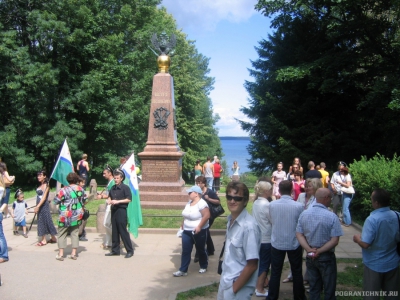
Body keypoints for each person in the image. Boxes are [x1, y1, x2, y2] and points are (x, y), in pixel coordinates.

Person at [296, 188, 343, 299]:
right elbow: (334, 240)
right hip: (326, 256)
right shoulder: (332, 217)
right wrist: (320, 251)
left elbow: (299, 234)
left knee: (314, 288)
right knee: (329, 288)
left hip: (310, 256)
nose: (331, 200)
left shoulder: (304, 214)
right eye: (330, 198)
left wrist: (309, 249)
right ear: (326, 198)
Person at [353, 189, 400, 298]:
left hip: (374, 264)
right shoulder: (397, 216)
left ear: (377, 203)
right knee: (392, 295)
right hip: (393, 262)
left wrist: (357, 239)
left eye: (372, 199)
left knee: (371, 295)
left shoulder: (372, 219)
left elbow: (365, 244)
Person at [218, 181, 260, 300]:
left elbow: (252, 265)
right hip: (226, 281)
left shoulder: (249, 227)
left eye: (237, 198)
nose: (232, 201)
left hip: (238, 288)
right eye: (229, 197)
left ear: (245, 201)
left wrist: (233, 290)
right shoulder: (231, 220)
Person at [267, 180, 306, 300]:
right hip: (294, 242)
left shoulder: (272, 205)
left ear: (279, 191)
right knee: (297, 271)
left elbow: (271, 220)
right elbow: (301, 223)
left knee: (275, 272)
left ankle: (272, 296)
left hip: (277, 241)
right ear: (291, 190)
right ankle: (299, 297)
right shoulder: (299, 206)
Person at [173, 185, 210, 277]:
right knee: (186, 250)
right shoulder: (189, 202)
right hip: (187, 231)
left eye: (190, 192)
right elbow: (186, 215)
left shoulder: (202, 204)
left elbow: (207, 216)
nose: (188, 194)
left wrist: (199, 227)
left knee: (200, 249)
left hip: (199, 231)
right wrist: (182, 224)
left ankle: (203, 265)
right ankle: (183, 270)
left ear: (196, 194)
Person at [53, 172, 86, 261]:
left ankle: (60, 254)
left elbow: (55, 201)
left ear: (67, 180)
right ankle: (74, 253)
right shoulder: (80, 189)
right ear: (76, 180)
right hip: (76, 215)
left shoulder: (63, 190)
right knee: (75, 233)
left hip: (64, 216)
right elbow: (85, 200)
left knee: (61, 234)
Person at [105, 168, 134, 258]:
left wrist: (118, 201)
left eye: (117, 178)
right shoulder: (113, 188)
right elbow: (110, 196)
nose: (116, 180)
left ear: (121, 178)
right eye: (115, 178)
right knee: (115, 231)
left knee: (123, 231)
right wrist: (108, 200)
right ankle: (115, 250)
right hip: (114, 210)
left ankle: (129, 250)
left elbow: (128, 199)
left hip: (121, 210)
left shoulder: (125, 188)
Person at [252, 181, 273, 297]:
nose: (271, 191)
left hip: (257, 237)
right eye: (270, 189)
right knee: (265, 263)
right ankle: (259, 288)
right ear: (266, 191)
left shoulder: (256, 203)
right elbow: (272, 220)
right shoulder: (267, 205)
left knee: (259, 262)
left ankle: (263, 282)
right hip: (266, 237)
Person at [194, 176, 220, 259]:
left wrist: (209, 199)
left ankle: (198, 254)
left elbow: (218, 201)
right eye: (197, 183)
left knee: (201, 232)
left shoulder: (210, 192)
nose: (198, 184)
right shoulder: (197, 192)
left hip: (209, 216)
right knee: (206, 232)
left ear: (204, 183)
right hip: (200, 216)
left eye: (200, 183)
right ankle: (210, 249)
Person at [34, 170, 57, 246]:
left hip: (43, 205)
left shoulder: (46, 185)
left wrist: (38, 206)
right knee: (46, 220)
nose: (38, 177)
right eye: (38, 175)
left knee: (43, 220)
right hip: (40, 205)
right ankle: (53, 238)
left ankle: (44, 240)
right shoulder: (40, 185)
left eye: (40, 175)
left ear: (44, 176)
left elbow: (43, 198)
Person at [97, 165, 115, 249]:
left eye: (105, 173)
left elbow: (111, 195)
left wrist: (102, 196)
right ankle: (108, 242)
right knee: (108, 224)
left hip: (111, 205)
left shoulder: (112, 182)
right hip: (108, 204)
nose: (103, 175)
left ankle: (117, 237)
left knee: (106, 223)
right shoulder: (110, 182)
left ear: (110, 173)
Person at [77, 176, 89, 241]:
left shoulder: (73, 189)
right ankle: (81, 234)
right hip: (81, 209)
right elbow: (85, 200)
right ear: (78, 182)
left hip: (75, 209)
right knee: (83, 222)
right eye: (82, 182)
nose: (83, 184)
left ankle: (79, 234)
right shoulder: (81, 190)